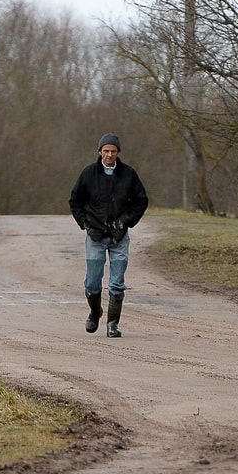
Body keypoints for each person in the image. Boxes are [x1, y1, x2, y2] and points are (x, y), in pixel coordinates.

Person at [69, 133, 149, 337]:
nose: (109, 155)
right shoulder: (88, 174)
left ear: (118, 153)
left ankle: (113, 324)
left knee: (116, 282)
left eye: (113, 151)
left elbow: (141, 200)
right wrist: (84, 222)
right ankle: (95, 312)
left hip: (119, 234)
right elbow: (75, 200)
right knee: (93, 283)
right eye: (106, 151)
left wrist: (127, 220)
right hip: (95, 234)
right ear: (100, 152)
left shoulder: (129, 174)